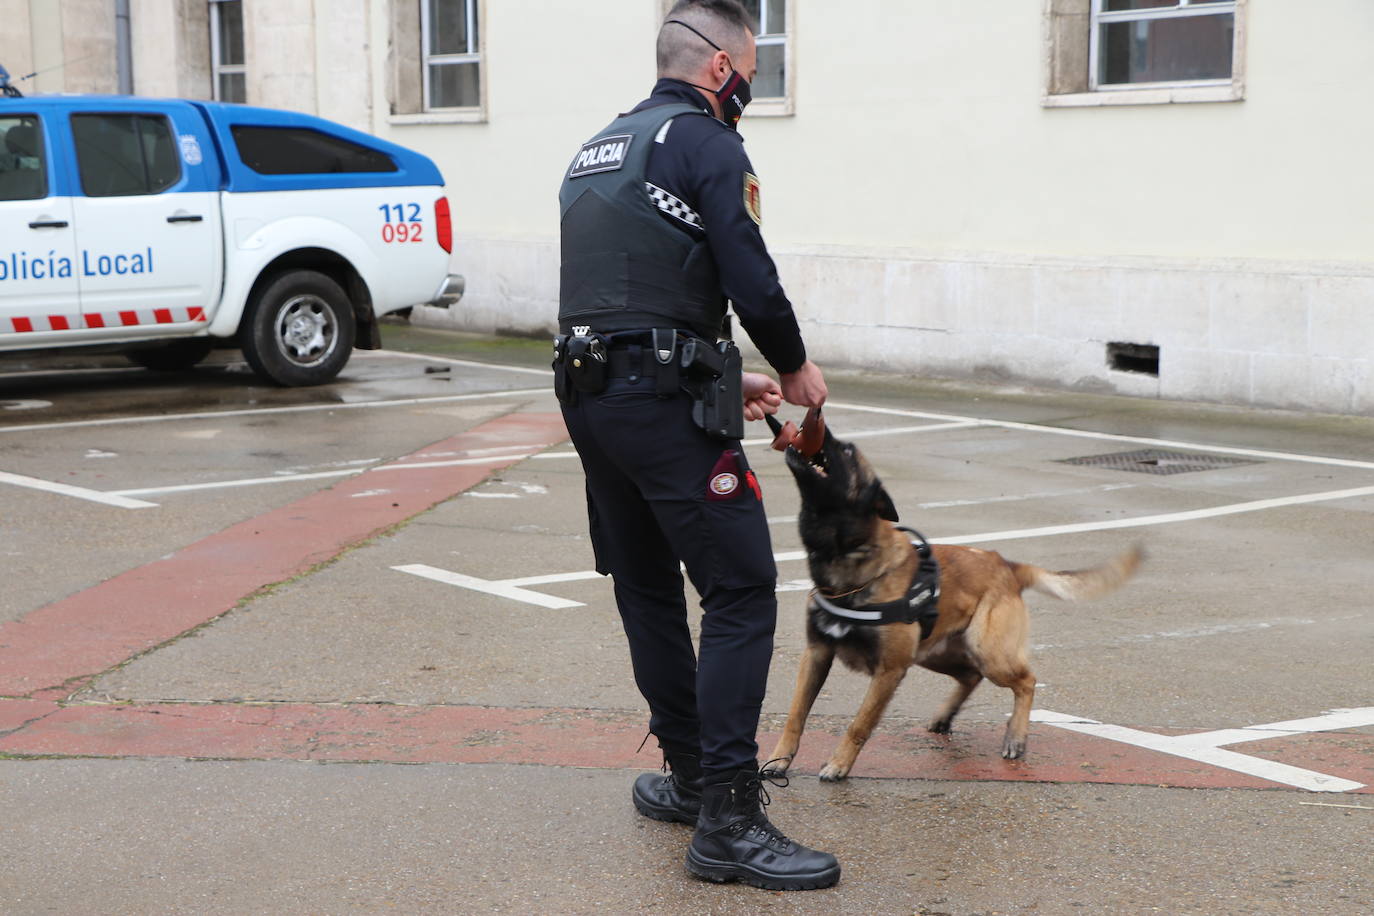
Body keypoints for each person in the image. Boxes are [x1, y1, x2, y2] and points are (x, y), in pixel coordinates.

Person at [554, 0, 838, 891]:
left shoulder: (597, 148)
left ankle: (687, 777)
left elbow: (630, 291)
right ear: (721, 67)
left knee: (645, 586)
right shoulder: (710, 143)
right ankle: (727, 817)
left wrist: (723, 377)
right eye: (753, 69)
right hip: (657, 400)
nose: (752, 86)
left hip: (593, 394)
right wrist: (791, 367)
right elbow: (747, 275)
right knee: (744, 588)